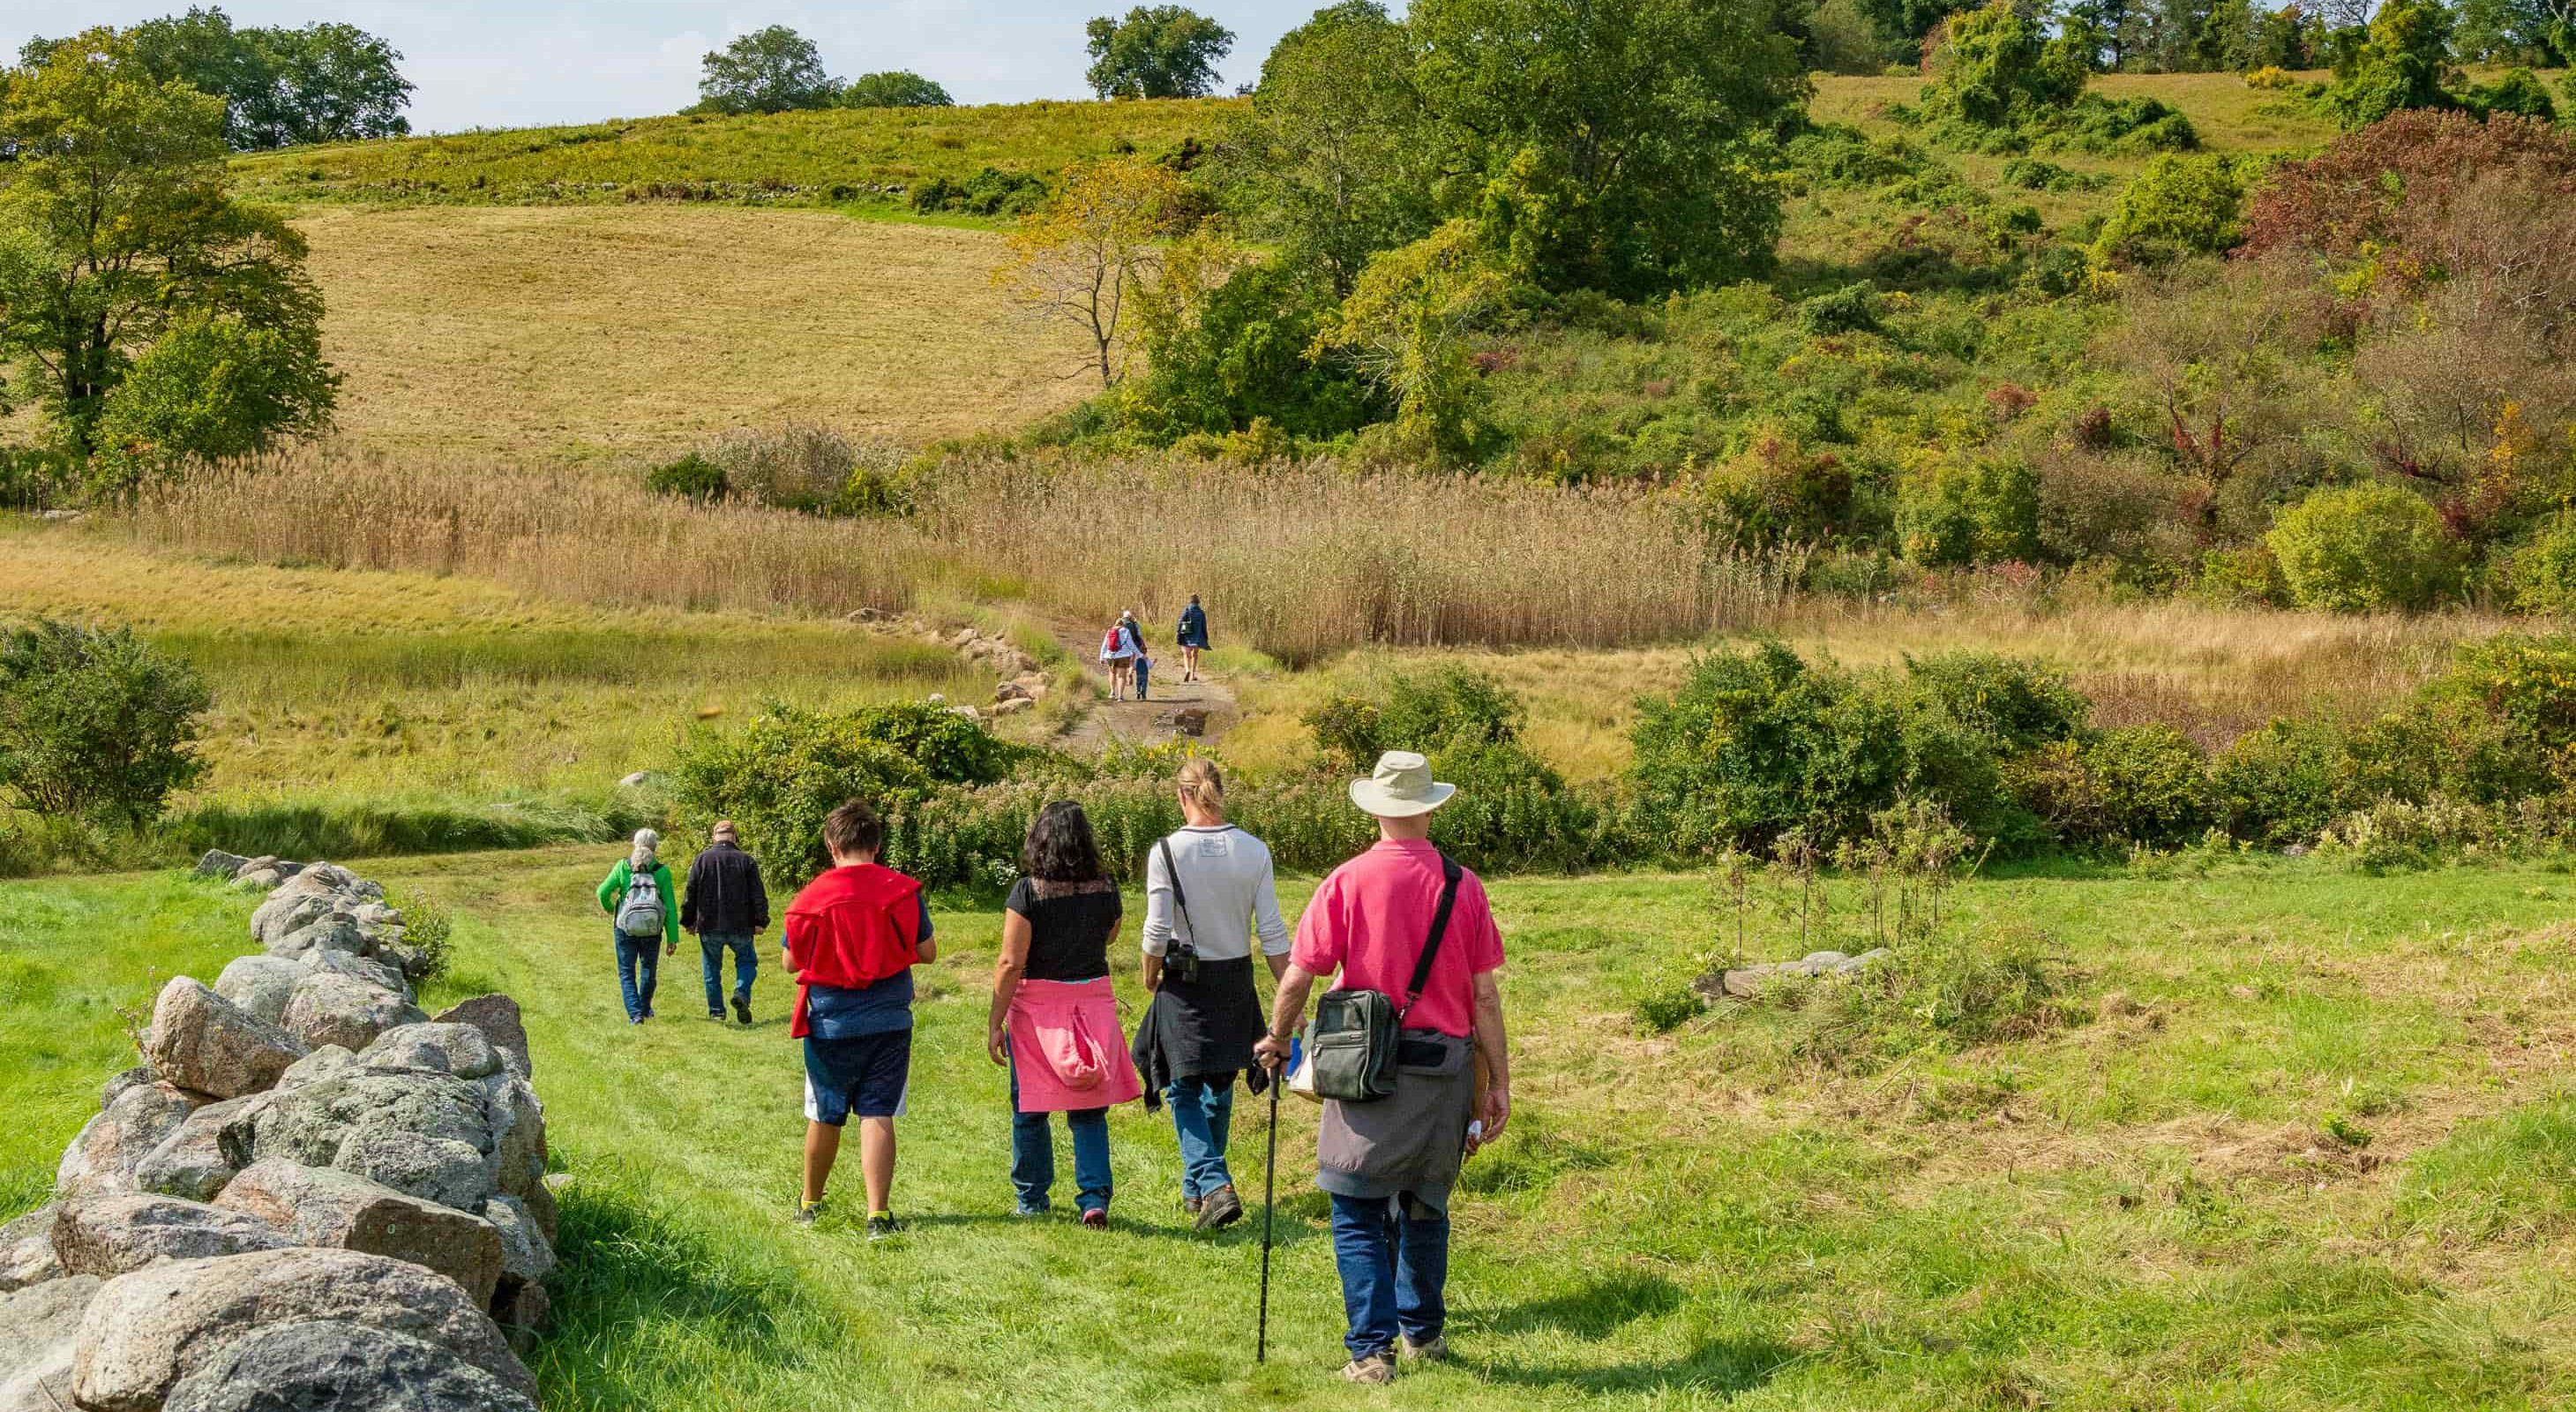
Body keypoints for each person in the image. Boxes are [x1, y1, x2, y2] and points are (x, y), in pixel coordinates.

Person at [1255, 752, 1511, 1386]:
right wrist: (1500, 1082)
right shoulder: (1464, 885)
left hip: (1363, 1069)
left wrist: (1275, 1037)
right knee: (1426, 1203)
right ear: (1429, 808)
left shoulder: (1346, 880)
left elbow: (1301, 974)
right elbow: (1483, 997)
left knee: (1355, 1206)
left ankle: (1372, 1353)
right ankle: (1423, 1335)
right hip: (1445, 1072)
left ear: (1374, 808)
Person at [1133, 759, 1288, 1231]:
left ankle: (1214, 1182)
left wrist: (1148, 976)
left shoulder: (1167, 850)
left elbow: (1158, 927)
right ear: (1219, 793)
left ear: (1182, 796)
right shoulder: (1255, 850)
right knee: (1218, 1089)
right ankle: (1197, 1191)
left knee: (1182, 1087)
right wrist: (1290, 991)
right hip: (1235, 980)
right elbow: (1273, 932)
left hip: (1185, 981)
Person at [781, 800, 937, 1239]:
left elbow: (791, 962)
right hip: (889, 1020)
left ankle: (810, 1203)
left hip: (830, 1023)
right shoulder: (901, 891)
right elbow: (928, 952)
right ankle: (878, 1215)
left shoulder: (811, 897)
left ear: (832, 845)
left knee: (825, 1114)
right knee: (877, 1112)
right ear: (877, 844)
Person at [986, 800, 1141, 1226]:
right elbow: (1110, 936)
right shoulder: (1106, 886)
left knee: (1030, 1107)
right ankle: (1094, 1196)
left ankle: (1032, 1197)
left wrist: (994, 1021)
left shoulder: (1027, 892)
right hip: (1092, 1001)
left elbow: (1010, 962)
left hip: (1037, 1007)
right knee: (1090, 1106)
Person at [682, 820, 771, 1025]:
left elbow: (691, 892)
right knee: (747, 962)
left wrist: (688, 920)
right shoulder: (746, 860)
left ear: (714, 837)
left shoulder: (702, 859)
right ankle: (741, 992)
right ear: (734, 836)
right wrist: (761, 921)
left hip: (709, 923)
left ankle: (716, 1011)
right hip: (741, 925)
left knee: (711, 968)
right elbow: (758, 894)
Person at [596, 829, 679, 1025]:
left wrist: (612, 909)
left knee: (626, 971)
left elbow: (602, 892)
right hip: (652, 929)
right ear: (655, 847)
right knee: (649, 969)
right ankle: (644, 1007)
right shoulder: (662, 871)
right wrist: (672, 937)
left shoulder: (623, 867)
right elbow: (669, 908)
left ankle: (635, 1014)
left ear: (634, 844)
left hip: (625, 928)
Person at [1099, 613, 1137, 701]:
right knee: (1121, 676)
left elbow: (1104, 645)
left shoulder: (1110, 631)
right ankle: (1120, 696)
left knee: (1112, 673)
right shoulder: (1125, 631)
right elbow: (1131, 644)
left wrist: (1101, 657)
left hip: (1110, 656)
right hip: (1123, 656)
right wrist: (1138, 653)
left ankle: (1112, 692)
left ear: (1115, 623)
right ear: (1123, 624)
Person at [1177, 594, 1209, 683]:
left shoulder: (1187, 609)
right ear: (1198, 601)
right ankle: (1193, 675)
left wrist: (1178, 631)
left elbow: (1181, 621)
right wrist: (1205, 636)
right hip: (1198, 637)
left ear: (1190, 601)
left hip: (1187, 635)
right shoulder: (1201, 612)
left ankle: (1187, 670)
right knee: (1195, 654)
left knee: (1186, 654)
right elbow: (1204, 626)